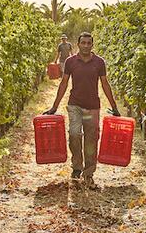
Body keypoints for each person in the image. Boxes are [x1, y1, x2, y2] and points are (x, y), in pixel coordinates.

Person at [43, 31, 119, 189]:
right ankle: (77, 166)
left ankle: (89, 173)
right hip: (74, 105)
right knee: (74, 134)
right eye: (83, 43)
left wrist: (114, 106)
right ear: (78, 44)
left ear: (92, 45)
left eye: (88, 43)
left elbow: (105, 84)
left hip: (92, 107)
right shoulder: (71, 62)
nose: (85, 45)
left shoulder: (99, 63)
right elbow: (63, 83)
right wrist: (54, 106)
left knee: (91, 140)